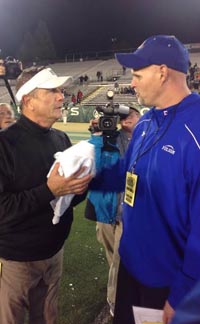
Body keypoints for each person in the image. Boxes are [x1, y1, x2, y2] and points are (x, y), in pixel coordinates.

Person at [90, 35, 200, 324]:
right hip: (130, 266)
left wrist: (182, 297)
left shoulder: (196, 131)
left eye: (138, 74)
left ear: (163, 72)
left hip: (168, 283)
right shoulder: (145, 124)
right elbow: (127, 173)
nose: (132, 83)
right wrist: (88, 179)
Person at [0, 66, 92, 324]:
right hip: (18, 262)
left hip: (54, 254)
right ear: (28, 100)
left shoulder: (61, 139)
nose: (61, 97)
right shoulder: (4, 145)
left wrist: (81, 187)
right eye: (52, 91)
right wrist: (49, 190)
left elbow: (66, 199)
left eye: (61, 91)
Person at [85, 105, 140, 316]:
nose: (127, 119)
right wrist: (98, 134)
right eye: (123, 116)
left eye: (132, 115)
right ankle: (119, 295)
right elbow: (96, 166)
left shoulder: (145, 137)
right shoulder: (108, 138)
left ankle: (116, 305)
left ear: (140, 118)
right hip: (106, 211)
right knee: (113, 260)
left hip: (127, 213)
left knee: (120, 259)